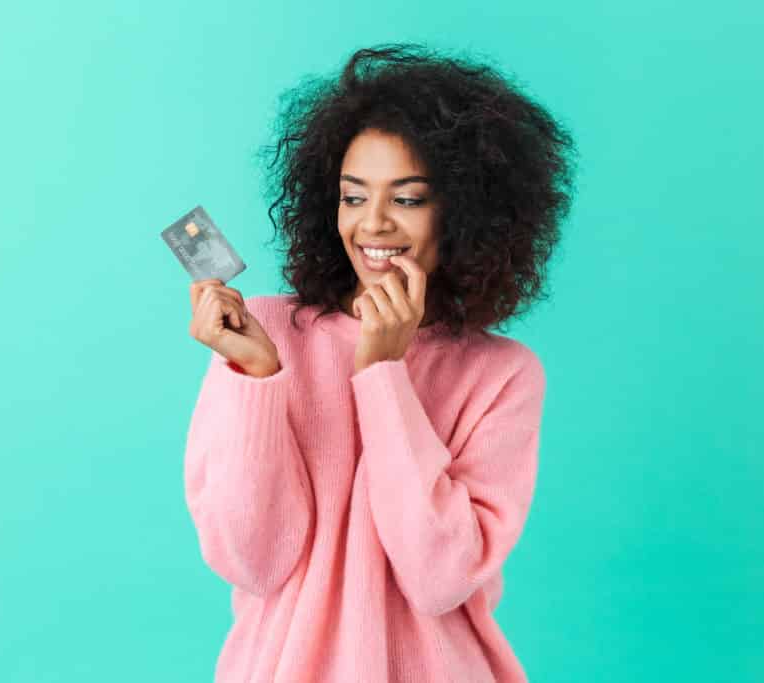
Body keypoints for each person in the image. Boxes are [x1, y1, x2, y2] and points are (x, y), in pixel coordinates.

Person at [183, 42, 576, 682]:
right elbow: (252, 561)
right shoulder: (266, 332)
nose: (375, 224)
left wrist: (384, 373)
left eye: (410, 199)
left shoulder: (502, 374)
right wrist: (257, 379)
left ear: (466, 212)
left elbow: (438, 577)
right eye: (354, 196)